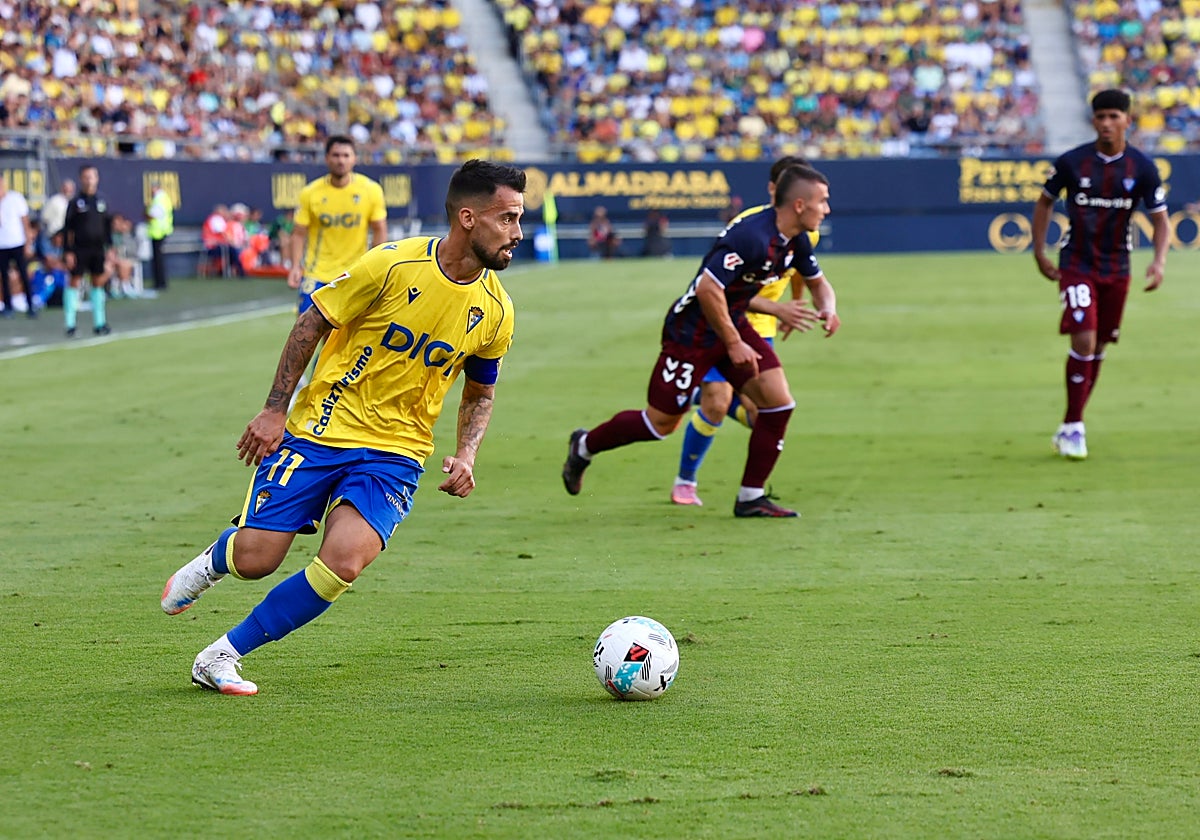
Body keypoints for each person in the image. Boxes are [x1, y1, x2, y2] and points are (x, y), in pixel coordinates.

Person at [160, 159, 525, 696]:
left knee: (344, 563)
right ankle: (214, 561)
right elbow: (313, 320)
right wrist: (273, 410)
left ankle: (222, 654)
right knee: (257, 559)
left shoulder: (496, 310)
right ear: (468, 218)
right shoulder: (393, 266)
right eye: (508, 218)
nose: (518, 232)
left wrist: (467, 452)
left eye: (520, 218)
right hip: (320, 428)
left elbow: (481, 390)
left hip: (397, 453)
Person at [562, 165, 833, 518]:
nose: (826, 209)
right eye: (822, 202)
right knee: (661, 423)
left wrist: (828, 307)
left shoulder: (795, 238)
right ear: (800, 204)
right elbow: (707, 287)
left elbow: (817, 281)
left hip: (731, 322)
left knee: (778, 404)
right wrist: (734, 342)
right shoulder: (751, 235)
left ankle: (751, 497)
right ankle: (584, 446)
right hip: (692, 333)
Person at [671, 156, 840, 506]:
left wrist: (795, 309)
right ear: (776, 191)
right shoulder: (748, 227)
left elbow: (798, 272)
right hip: (723, 321)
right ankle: (685, 480)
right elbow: (720, 290)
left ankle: (700, 396)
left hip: (761, 327)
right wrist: (779, 308)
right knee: (717, 404)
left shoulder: (807, 231)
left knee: (762, 415)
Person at [1032, 88, 1168, 460]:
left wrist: (1159, 261)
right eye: (1101, 117)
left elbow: (1160, 220)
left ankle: (1068, 424)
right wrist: (1040, 251)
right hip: (1076, 264)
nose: (1107, 124)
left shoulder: (1141, 167)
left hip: (1117, 268)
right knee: (1085, 341)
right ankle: (1076, 427)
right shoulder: (1072, 163)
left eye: (1114, 116)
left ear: (1127, 119)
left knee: (1100, 347)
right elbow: (1044, 201)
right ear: (1093, 121)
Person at [288, 135, 388, 315]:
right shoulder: (311, 192)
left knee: (340, 336)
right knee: (304, 328)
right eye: (336, 155)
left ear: (354, 159)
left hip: (353, 273)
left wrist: (377, 266)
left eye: (346, 155)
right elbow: (298, 233)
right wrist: (295, 266)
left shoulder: (370, 190)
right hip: (317, 273)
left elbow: (379, 229)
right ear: (327, 158)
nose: (341, 160)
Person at [60, 164, 114, 336]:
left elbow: (107, 228)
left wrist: (110, 248)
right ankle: (70, 324)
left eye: (93, 176)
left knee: (97, 282)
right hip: (79, 249)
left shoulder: (101, 201)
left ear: (97, 178)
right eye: (86, 177)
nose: (90, 180)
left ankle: (99, 322)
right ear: (81, 179)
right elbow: (68, 229)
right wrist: (68, 251)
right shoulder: (75, 203)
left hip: (97, 249)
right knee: (74, 281)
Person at [0, 172, 37, 318]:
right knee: (4, 275)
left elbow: (25, 222)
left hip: (17, 242)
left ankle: (30, 304)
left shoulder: (15, 198)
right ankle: (8, 305)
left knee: (23, 273)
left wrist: (28, 242)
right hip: (2, 244)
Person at [145, 178, 173, 290]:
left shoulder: (159, 198)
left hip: (158, 232)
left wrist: (146, 214)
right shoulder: (164, 198)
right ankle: (160, 282)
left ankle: (160, 283)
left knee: (158, 260)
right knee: (158, 259)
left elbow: (153, 215)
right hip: (161, 231)